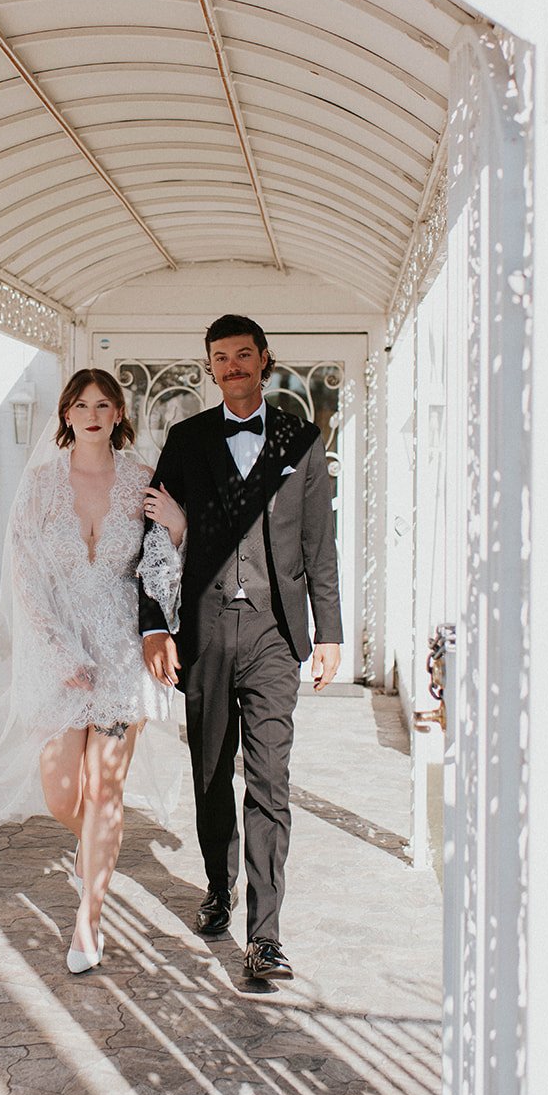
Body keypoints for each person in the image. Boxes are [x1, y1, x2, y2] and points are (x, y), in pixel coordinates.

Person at [0, 368, 185, 974]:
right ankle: (92, 846)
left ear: (117, 415)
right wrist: (58, 652)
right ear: (65, 414)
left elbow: (161, 569)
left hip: (120, 656)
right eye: (80, 404)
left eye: (103, 404)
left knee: (107, 790)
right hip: (57, 655)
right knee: (62, 793)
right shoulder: (40, 486)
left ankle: (90, 918)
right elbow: (26, 577)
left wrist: (179, 530)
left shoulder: (141, 480)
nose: (91, 413)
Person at [139, 314, 343, 981]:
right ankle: (219, 888)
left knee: (270, 780)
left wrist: (330, 630)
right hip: (201, 632)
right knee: (209, 775)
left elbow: (318, 543)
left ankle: (266, 934)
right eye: (219, 358)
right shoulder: (186, 438)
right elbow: (150, 539)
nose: (232, 367)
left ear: (264, 359)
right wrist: (153, 627)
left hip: (274, 636)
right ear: (210, 368)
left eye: (243, 355)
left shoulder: (302, 439)